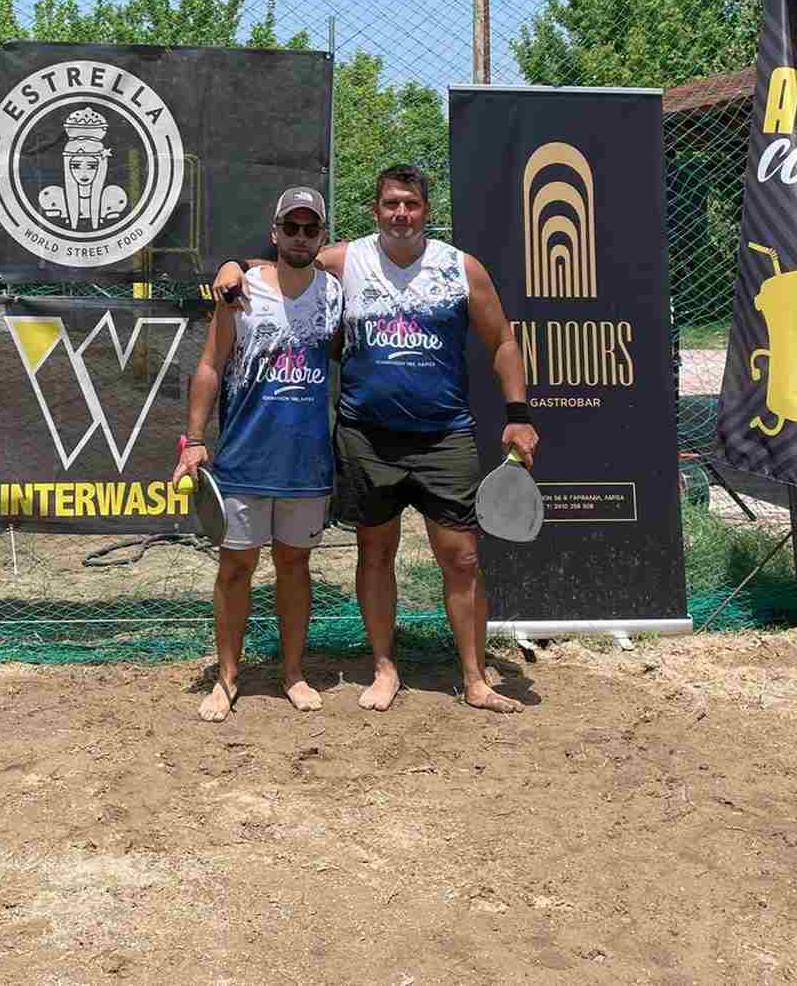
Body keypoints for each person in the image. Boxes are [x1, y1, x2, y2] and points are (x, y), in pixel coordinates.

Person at [213, 165, 538, 715]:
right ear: (376, 210)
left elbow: (503, 340)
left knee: (461, 558)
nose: (401, 214)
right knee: (375, 552)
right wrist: (232, 265)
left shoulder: (461, 268)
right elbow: (284, 260)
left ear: (426, 210)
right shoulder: (346, 259)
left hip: (444, 435)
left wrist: (518, 413)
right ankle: (385, 668)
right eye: (391, 204)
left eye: (411, 204)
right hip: (367, 436)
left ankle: (476, 678)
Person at [175, 186, 343, 723]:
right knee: (235, 568)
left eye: (310, 229)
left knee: (295, 567)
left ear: (321, 236)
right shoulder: (239, 292)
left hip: (305, 461)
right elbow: (210, 365)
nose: (300, 237)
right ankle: (227, 678)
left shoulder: (335, 294)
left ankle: (292, 673)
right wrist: (194, 440)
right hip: (245, 457)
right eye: (290, 227)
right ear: (274, 233)